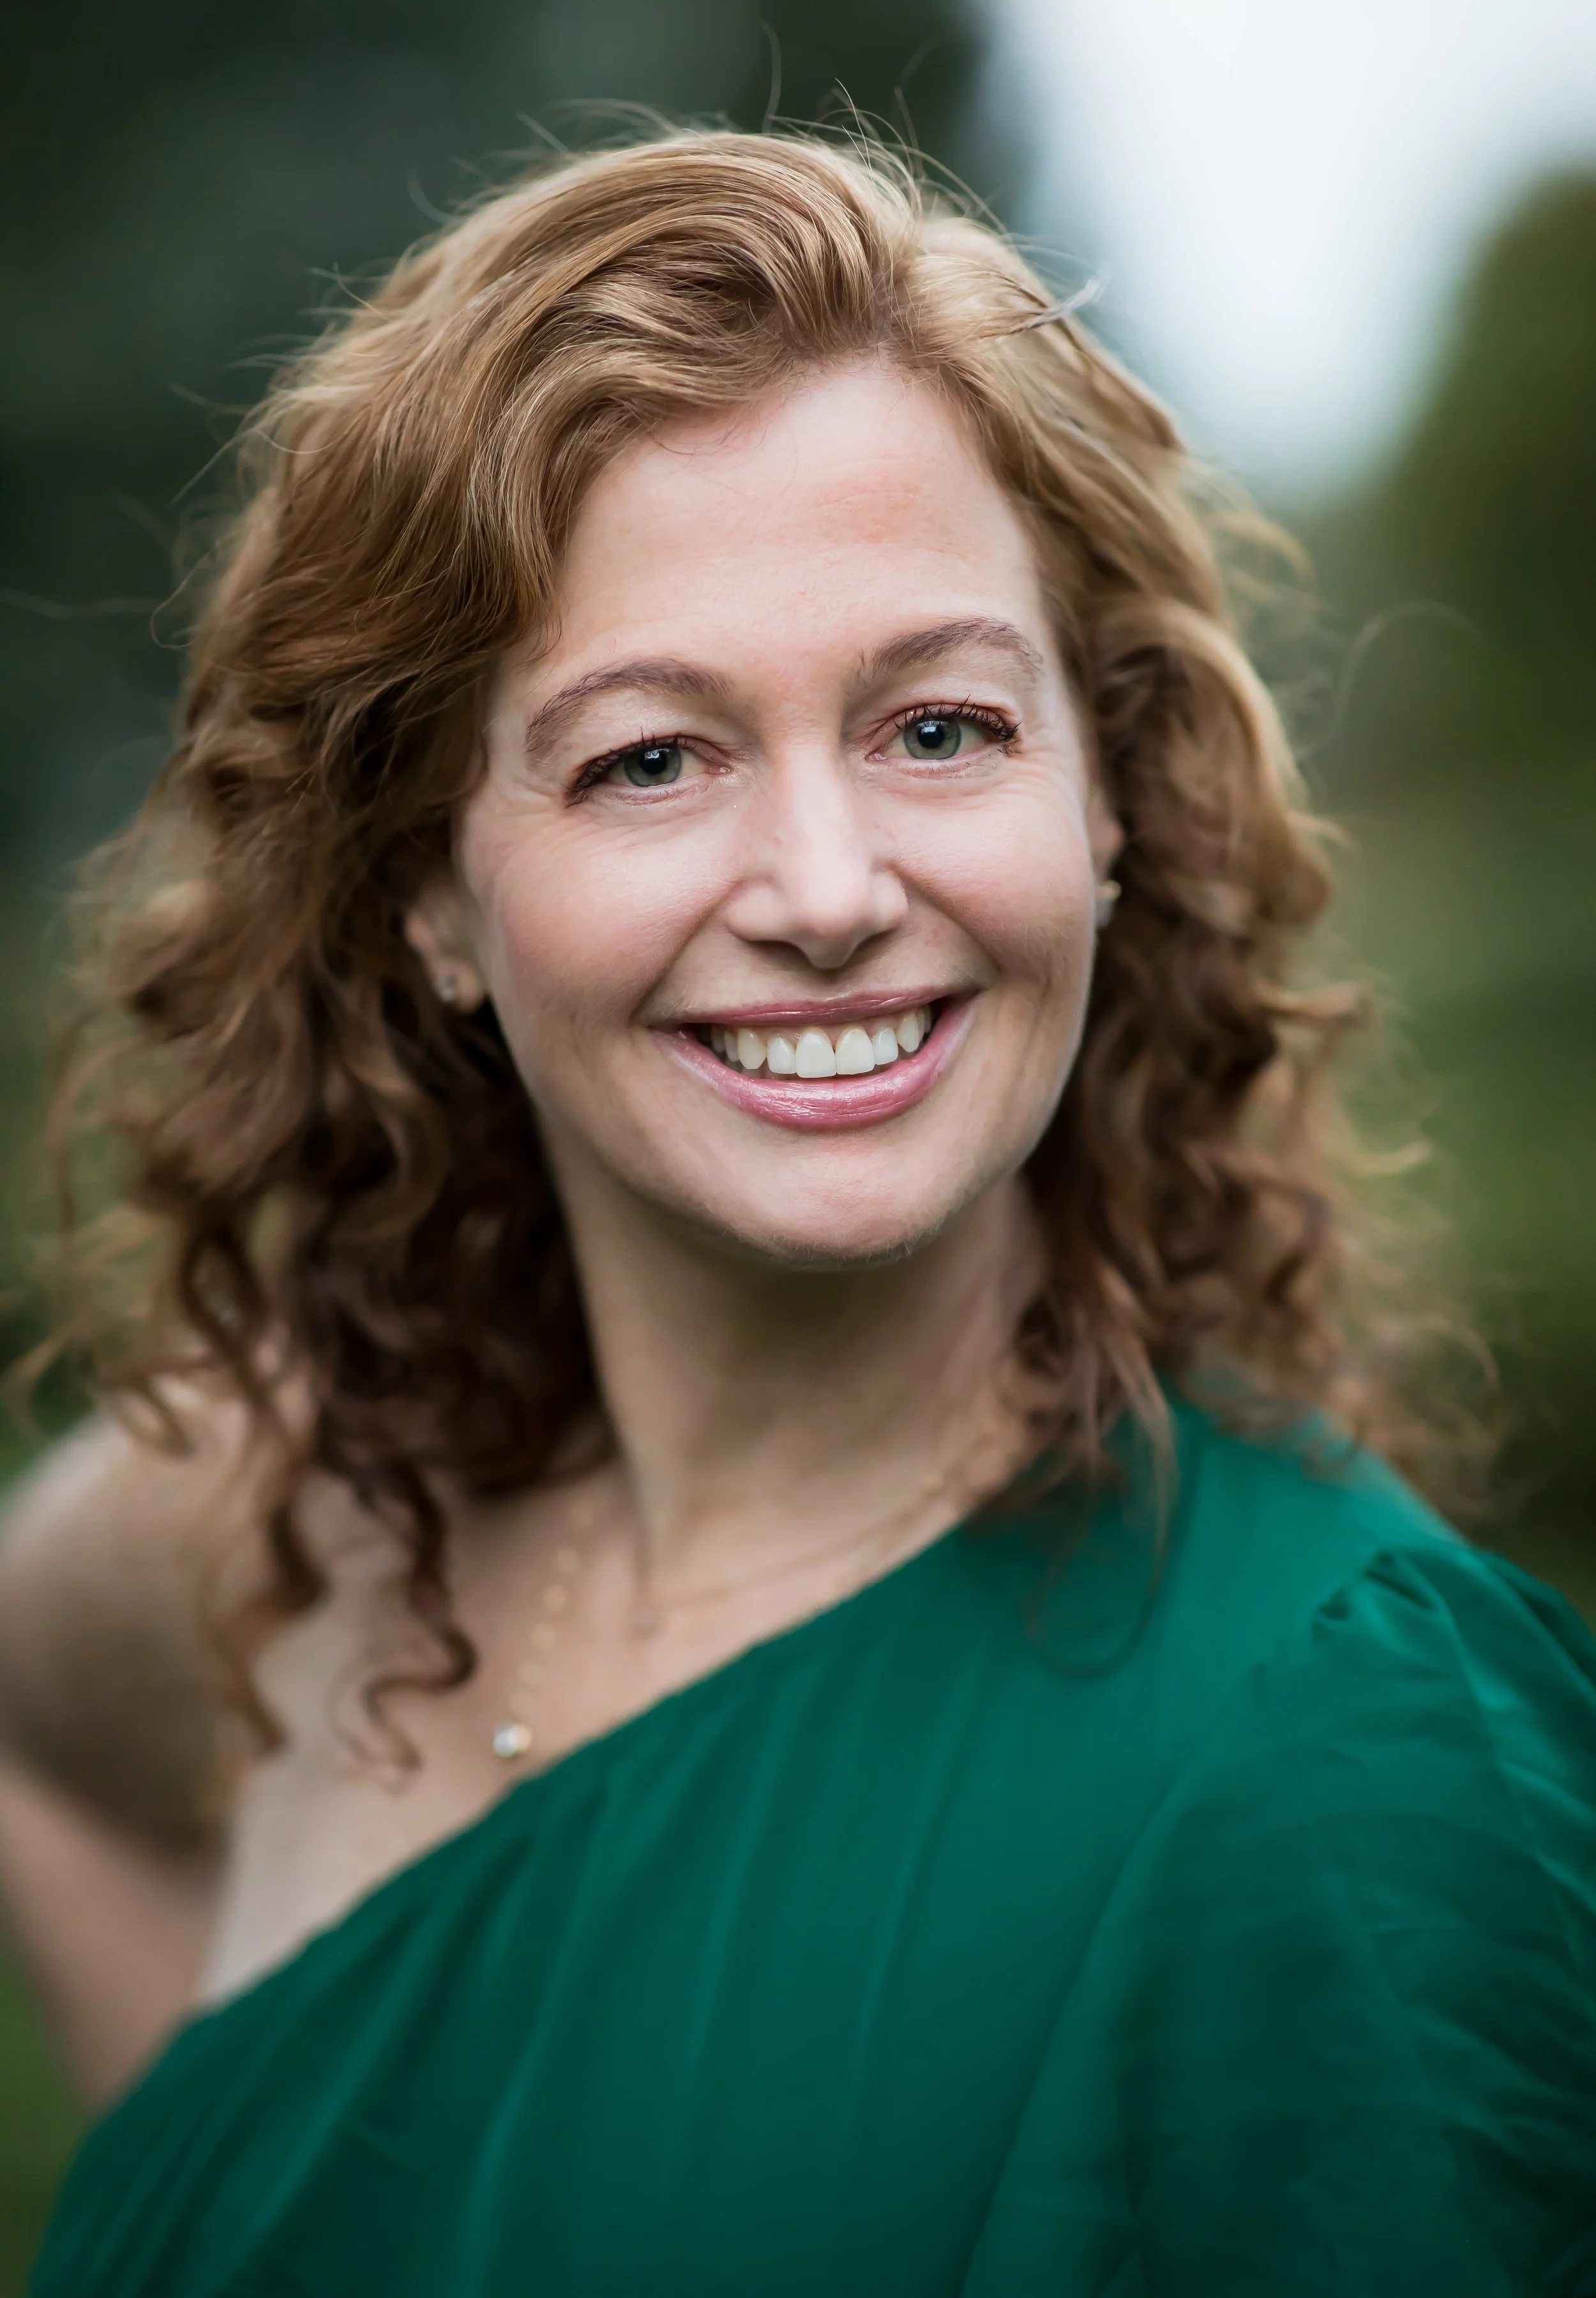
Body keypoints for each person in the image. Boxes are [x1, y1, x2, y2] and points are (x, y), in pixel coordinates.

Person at [0, 130, 1591, 2297]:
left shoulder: (1354, 1773)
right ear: (426, 892)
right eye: (650, 759)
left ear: (1102, 797)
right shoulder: (302, 1514)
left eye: (937, 726)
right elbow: (46, 1745)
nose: (833, 892)